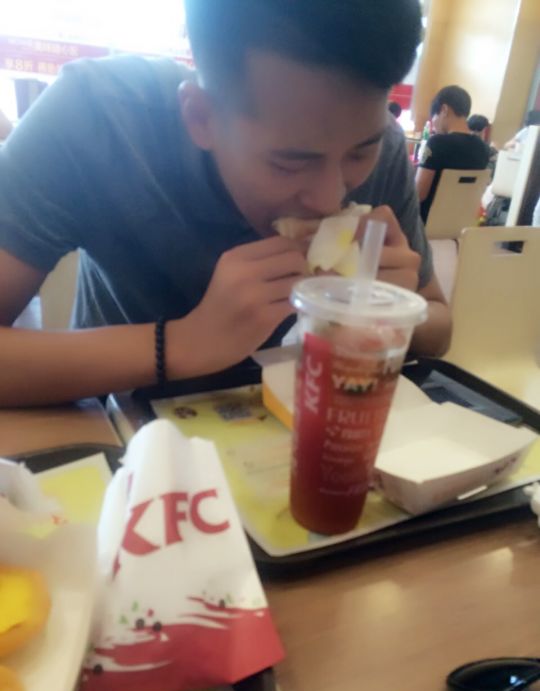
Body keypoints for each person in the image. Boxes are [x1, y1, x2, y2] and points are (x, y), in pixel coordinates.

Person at [0, 0, 451, 407]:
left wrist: (392, 311)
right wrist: (182, 344)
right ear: (201, 116)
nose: (331, 196)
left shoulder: (384, 148)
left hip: (297, 423)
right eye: (289, 162)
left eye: (359, 153)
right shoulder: (98, 117)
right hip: (121, 430)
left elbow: (440, 325)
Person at [416, 85, 490, 222]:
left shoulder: (437, 142)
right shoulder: (483, 148)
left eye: (434, 116)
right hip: (459, 224)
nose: (434, 123)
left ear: (444, 110)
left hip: (424, 223)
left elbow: (419, 194)